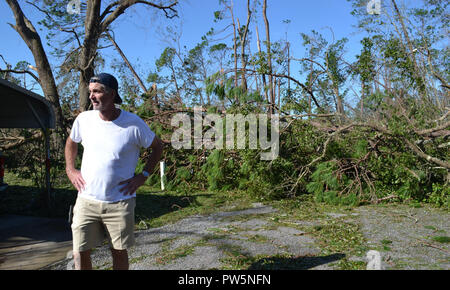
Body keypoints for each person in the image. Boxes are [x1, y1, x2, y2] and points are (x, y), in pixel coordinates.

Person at [65, 73, 164, 270]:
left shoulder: (133, 123)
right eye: (90, 92)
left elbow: (158, 146)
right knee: (80, 250)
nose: (92, 96)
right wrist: (70, 169)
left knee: (118, 251)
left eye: (97, 91)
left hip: (120, 202)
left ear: (112, 94)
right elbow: (71, 143)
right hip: (86, 200)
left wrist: (143, 176)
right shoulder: (84, 119)